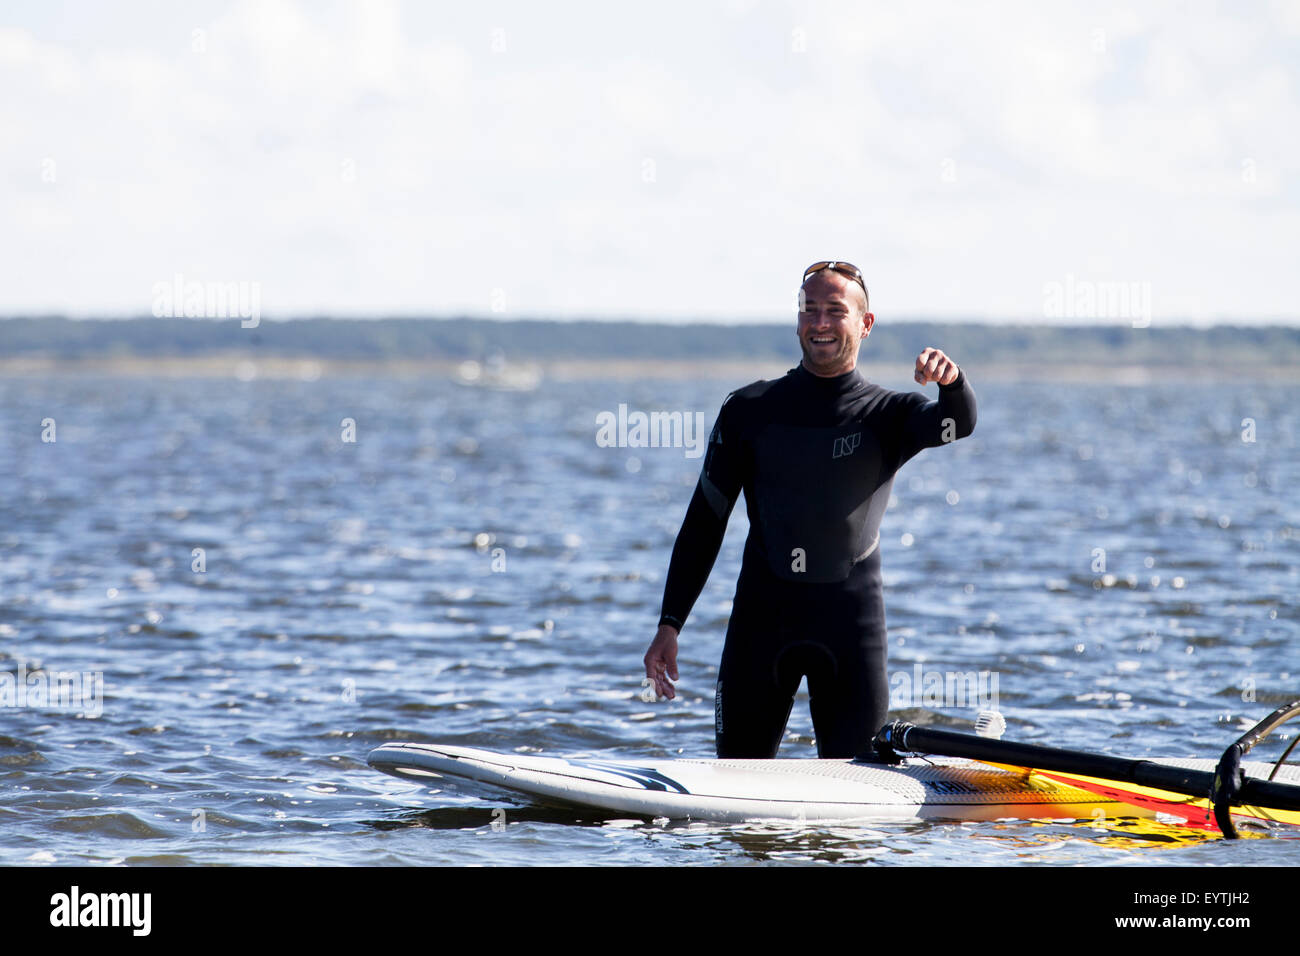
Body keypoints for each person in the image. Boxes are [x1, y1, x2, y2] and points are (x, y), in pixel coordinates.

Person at [642, 260, 976, 759]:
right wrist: (670, 624)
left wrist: (952, 382)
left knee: (854, 809)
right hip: (761, 625)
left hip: (852, 633)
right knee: (738, 796)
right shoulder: (748, 411)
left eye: (834, 311)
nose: (819, 323)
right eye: (809, 310)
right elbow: (704, 522)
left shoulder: (888, 415)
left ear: (865, 324)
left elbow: (958, 423)